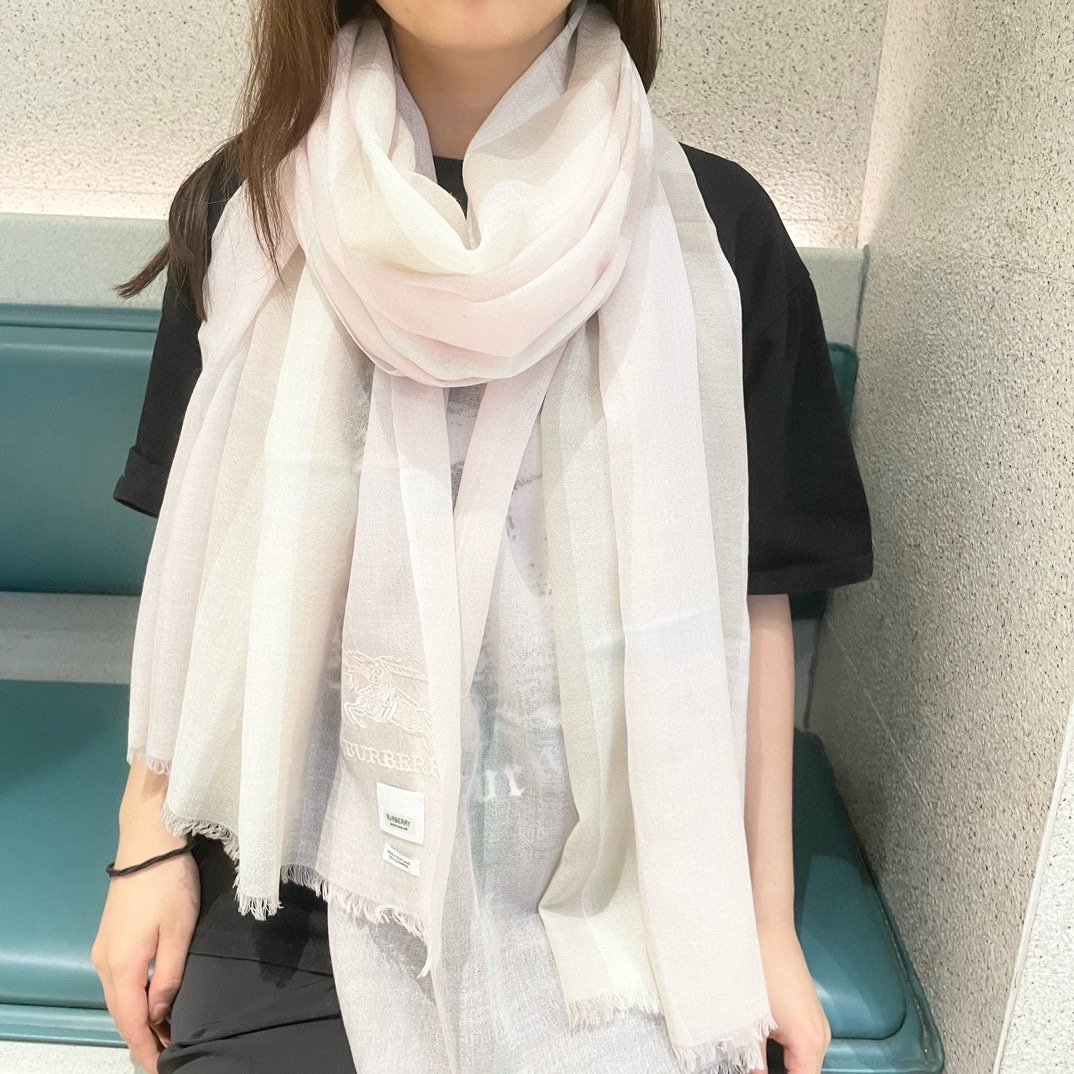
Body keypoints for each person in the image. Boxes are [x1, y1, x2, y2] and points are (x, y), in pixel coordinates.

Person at [91, 1, 873, 1072]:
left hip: (613, 882)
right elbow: (201, 570)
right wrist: (146, 844)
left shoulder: (714, 230)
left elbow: (746, 595)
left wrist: (763, 922)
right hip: (305, 863)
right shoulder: (251, 204)